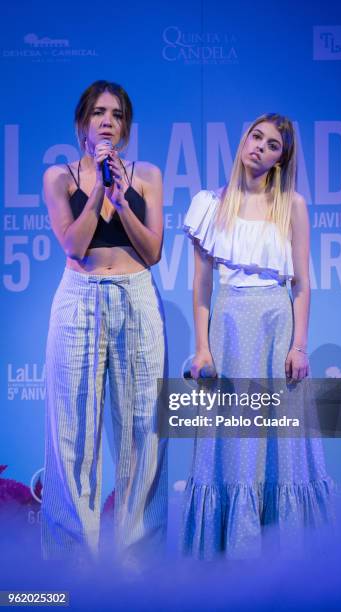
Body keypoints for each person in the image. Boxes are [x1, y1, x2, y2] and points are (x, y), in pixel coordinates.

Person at [182, 113, 333, 560]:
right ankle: (227, 559)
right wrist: (203, 347)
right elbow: (201, 285)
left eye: (272, 146)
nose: (260, 148)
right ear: (244, 138)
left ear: (281, 159)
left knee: (281, 444)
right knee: (231, 442)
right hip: (228, 328)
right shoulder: (210, 204)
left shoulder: (293, 206)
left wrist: (299, 344)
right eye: (257, 137)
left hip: (275, 327)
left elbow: (301, 283)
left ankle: (285, 562)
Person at [41, 80, 167, 564]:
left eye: (116, 114)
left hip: (136, 298)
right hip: (79, 299)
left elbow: (153, 251)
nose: (107, 121)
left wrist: (121, 190)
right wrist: (97, 193)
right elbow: (74, 245)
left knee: (142, 433)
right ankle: (72, 570)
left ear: (126, 128)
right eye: (98, 112)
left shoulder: (147, 175)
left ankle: (139, 565)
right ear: (82, 124)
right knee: (72, 434)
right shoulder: (60, 177)